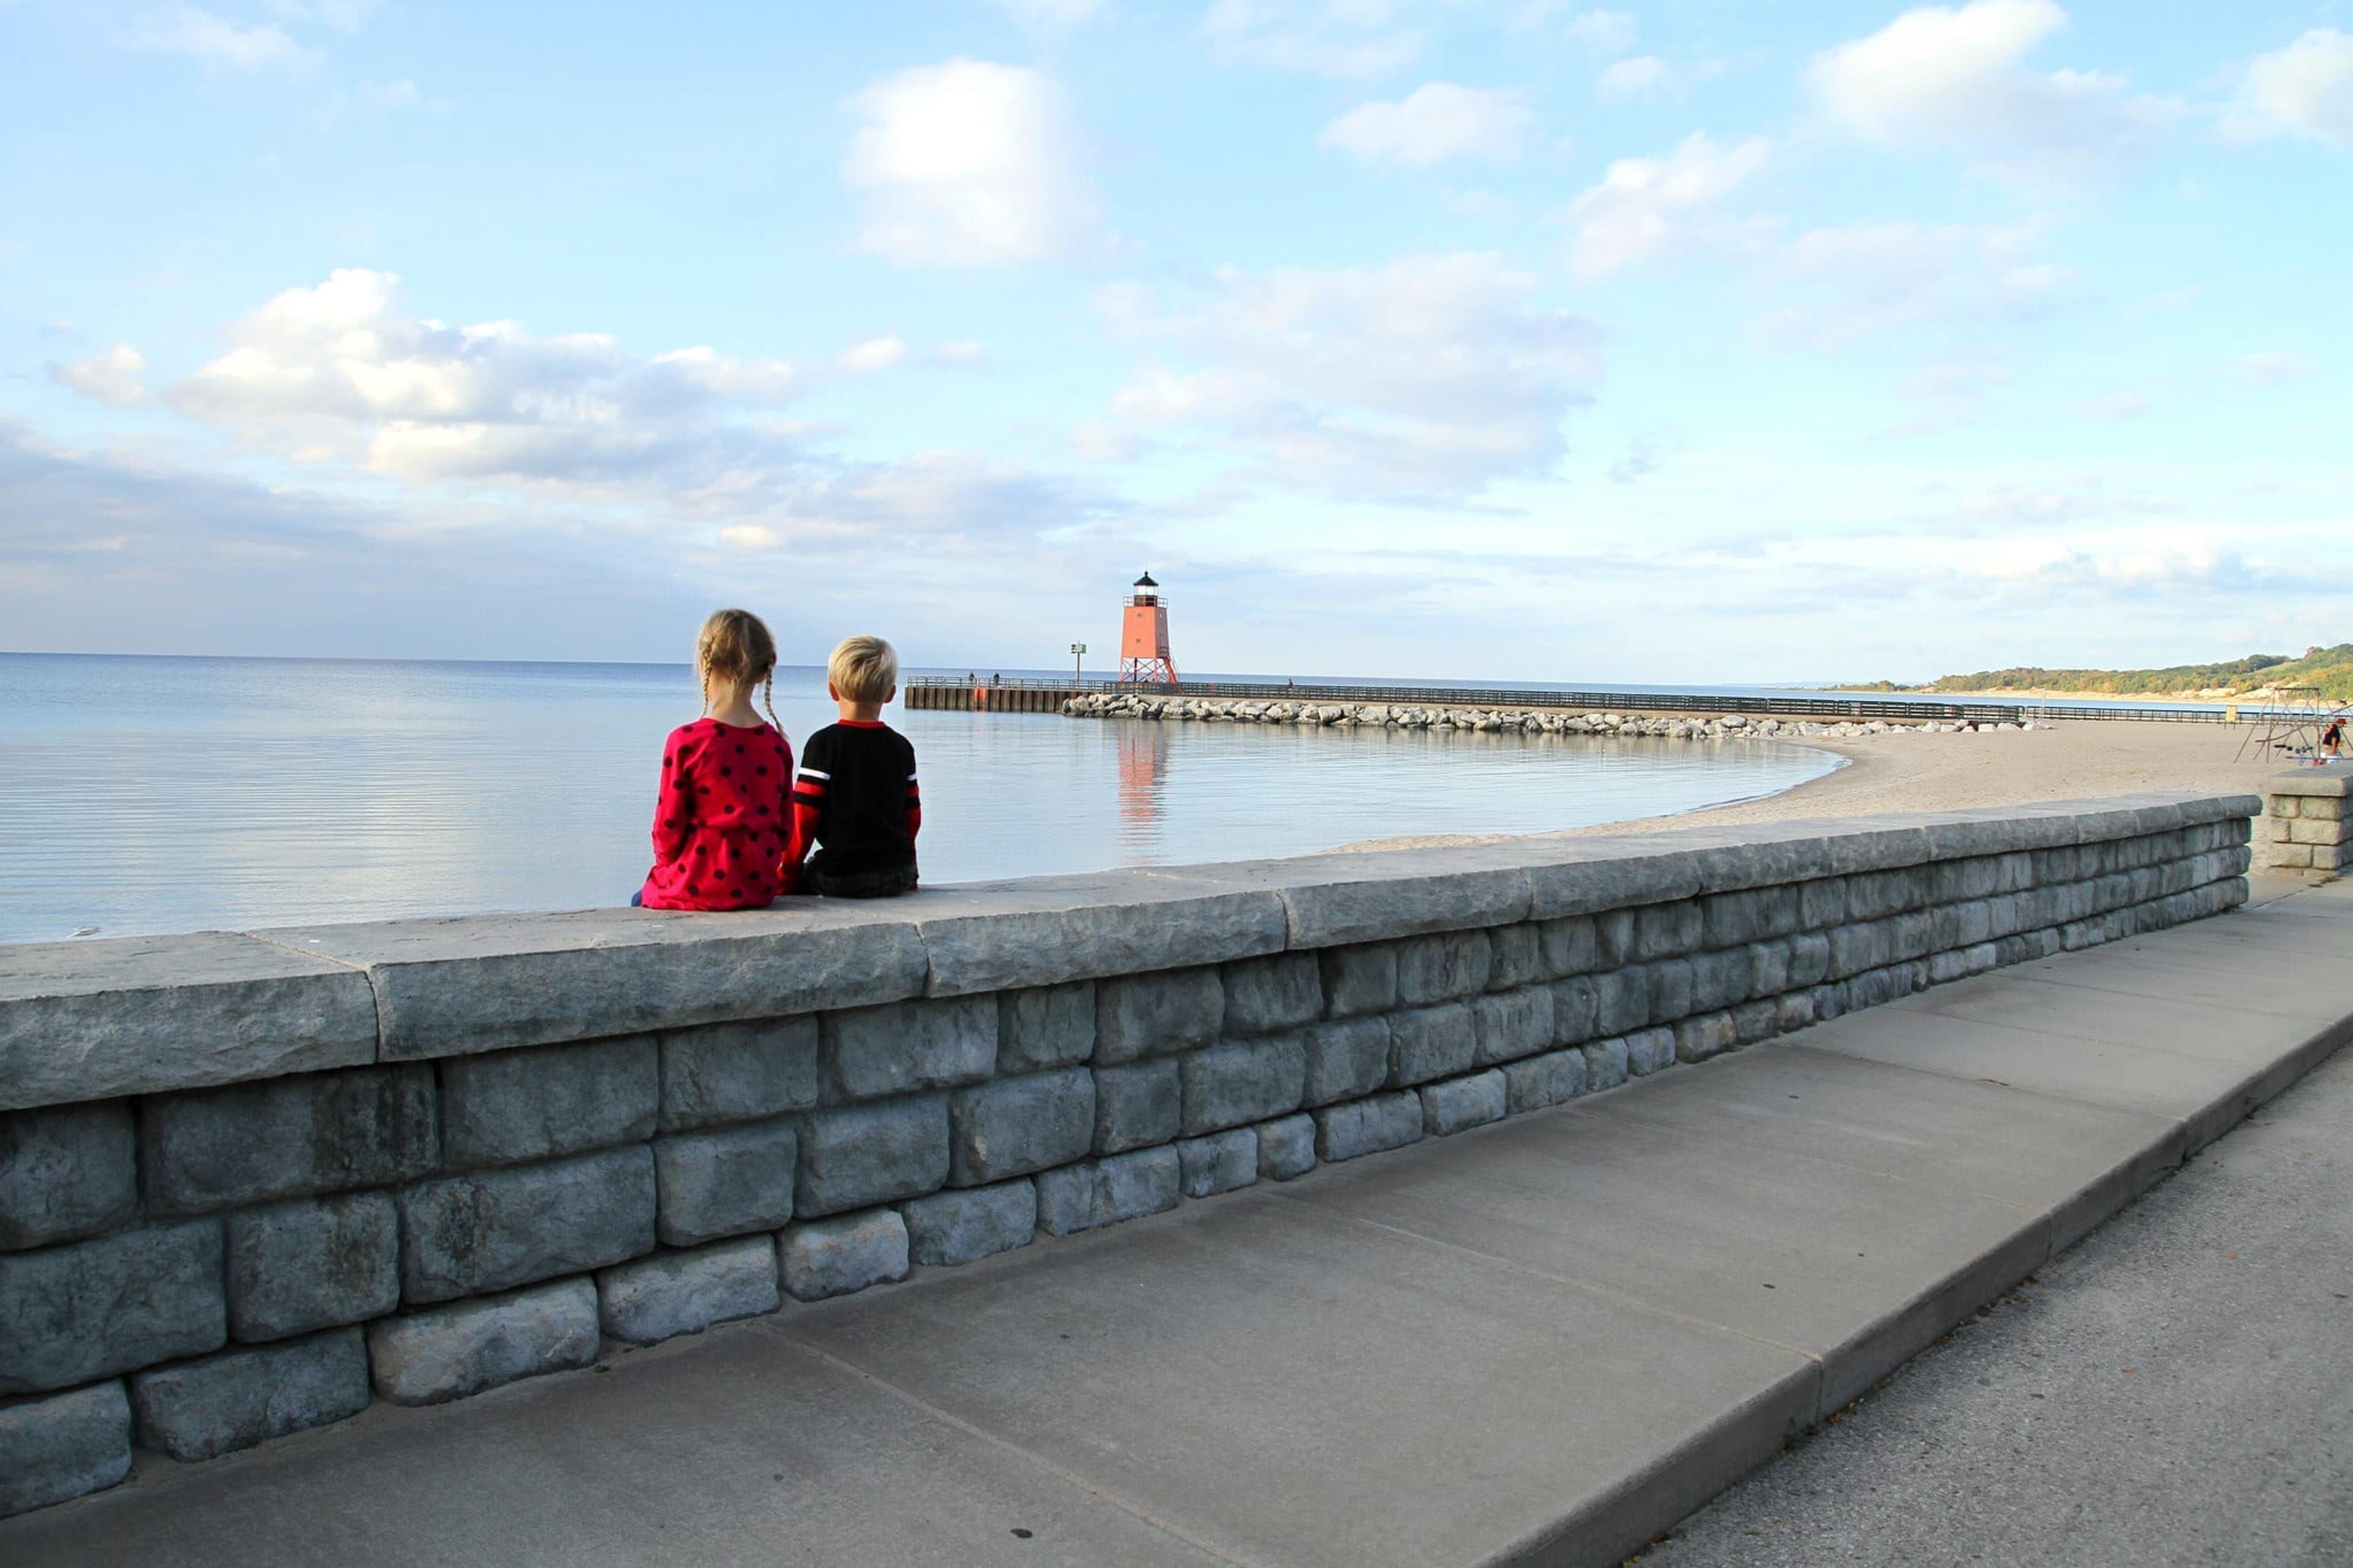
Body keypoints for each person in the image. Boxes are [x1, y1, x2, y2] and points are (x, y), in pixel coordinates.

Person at [633, 609, 794, 910]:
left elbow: (668, 827)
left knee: (639, 897)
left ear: (706, 662)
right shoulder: (776, 745)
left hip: (698, 882)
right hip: (757, 884)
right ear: (763, 672)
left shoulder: (687, 741)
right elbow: (785, 827)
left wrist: (667, 867)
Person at [786, 635, 921, 898]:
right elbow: (911, 818)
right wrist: (910, 869)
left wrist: (787, 872)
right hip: (898, 873)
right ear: (891, 694)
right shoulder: (901, 747)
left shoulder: (823, 744)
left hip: (842, 875)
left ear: (832, 690)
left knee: (811, 871)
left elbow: (804, 817)